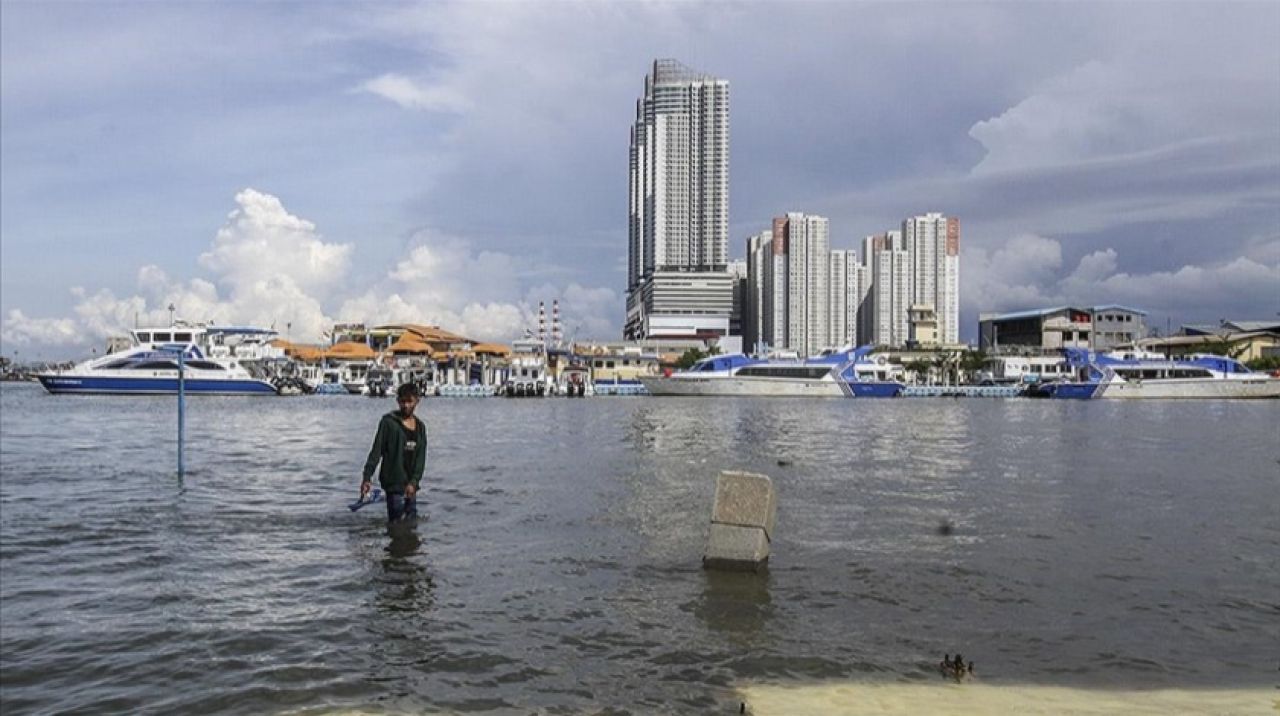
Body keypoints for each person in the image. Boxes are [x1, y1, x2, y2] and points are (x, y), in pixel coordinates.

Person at [361, 382, 427, 522]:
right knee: (396, 524)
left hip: (411, 485)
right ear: (398, 401)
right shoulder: (388, 423)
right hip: (393, 483)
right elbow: (376, 451)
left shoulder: (420, 427)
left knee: (411, 524)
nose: (406, 405)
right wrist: (367, 477)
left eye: (410, 401)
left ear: (417, 401)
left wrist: (414, 482)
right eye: (403, 402)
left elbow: (421, 459)